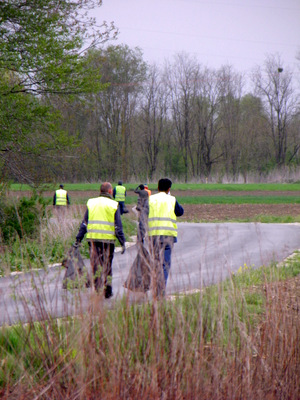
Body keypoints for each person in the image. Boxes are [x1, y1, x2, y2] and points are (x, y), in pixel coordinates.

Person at [75, 182, 126, 298]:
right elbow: (118, 226)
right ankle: (107, 291)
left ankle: (97, 290)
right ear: (109, 191)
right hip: (108, 241)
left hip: (93, 240)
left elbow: (84, 223)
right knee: (107, 266)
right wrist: (122, 241)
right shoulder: (114, 204)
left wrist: (78, 238)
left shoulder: (91, 203)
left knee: (96, 265)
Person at [148, 178, 184, 297]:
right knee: (165, 264)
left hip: (154, 236)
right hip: (168, 236)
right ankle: (161, 290)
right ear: (169, 189)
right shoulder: (172, 199)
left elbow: (144, 213)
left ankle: (155, 287)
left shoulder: (151, 199)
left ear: (157, 188)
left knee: (156, 262)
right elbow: (180, 212)